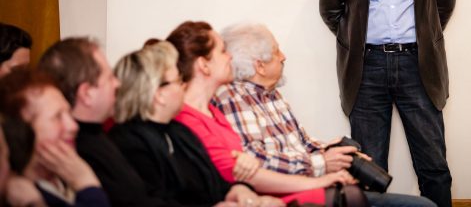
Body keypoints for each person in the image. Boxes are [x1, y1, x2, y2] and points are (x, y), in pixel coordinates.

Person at [319, 0, 457, 207]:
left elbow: (444, 0)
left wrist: (422, 37)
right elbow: (331, 9)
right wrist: (358, 42)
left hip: (418, 65)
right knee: (369, 170)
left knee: (434, 166)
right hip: (366, 69)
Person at [214, 23, 436, 207]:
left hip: (316, 185)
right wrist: (321, 163)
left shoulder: (272, 95)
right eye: (276, 51)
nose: (283, 57)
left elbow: (304, 143)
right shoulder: (234, 98)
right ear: (260, 66)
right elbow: (256, 162)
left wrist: (335, 152)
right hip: (295, 195)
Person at [167, 21, 366, 207]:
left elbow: (245, 166)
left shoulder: (213, 113)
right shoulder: (205, 111)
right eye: (222, 51)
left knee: (358, 185)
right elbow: (246, 171)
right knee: (351, 195)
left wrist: (335, 154)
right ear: (203, 65)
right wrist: (321, 175)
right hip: (258, 193)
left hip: (254, 191)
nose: (229, 57)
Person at [109, 41, 282, 207]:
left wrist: (241, 191)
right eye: (179, 81)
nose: (184, 86)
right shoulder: (128, 142)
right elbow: (146, 202)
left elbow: (217, 184)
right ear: (159, 94)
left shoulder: (180, 131)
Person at [38, 37, 178, 207]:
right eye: (110, 77)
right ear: (87, 93)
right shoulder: (77, 150)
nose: (117, 83)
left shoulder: (98, 135)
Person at [0, 67, 110, 207]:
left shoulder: (64, 175)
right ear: (22, 129)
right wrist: (87, 185)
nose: (73, 126)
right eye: (57, 117)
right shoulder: (24, 197)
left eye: (69, 113)